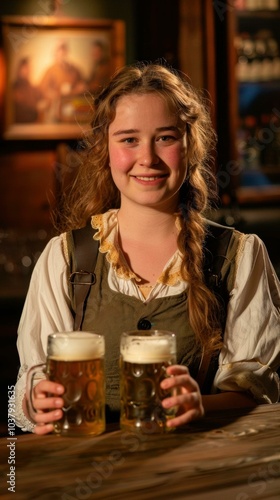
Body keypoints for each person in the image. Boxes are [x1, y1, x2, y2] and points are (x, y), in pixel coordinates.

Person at [15, 62, 280, 435]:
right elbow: (29, 382)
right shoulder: (64, 258)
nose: (148, 158)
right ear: (105, 149)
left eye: (165, 138)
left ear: (190, 145)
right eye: (128, 139)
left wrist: (199, 402)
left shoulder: (240, 256)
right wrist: (34, 401)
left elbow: (257, 394)